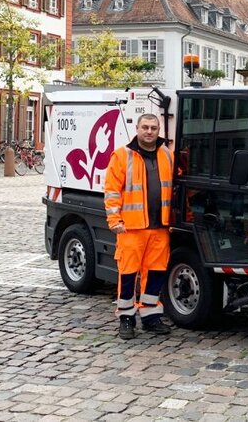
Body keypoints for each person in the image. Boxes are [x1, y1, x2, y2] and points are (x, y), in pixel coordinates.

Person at [104, 113, 174, 339]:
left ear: (159, 129)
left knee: (155, 274)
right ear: (137, 128)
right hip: (131, 229)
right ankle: (126, 319)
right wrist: (114, 220)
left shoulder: (167, 154)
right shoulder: (122, 155)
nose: (149, 131)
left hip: (160, 227)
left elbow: (175, 186)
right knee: (128, 274)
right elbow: (112, 190)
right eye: (145, 127)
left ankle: (151, 317)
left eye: (154, 127)